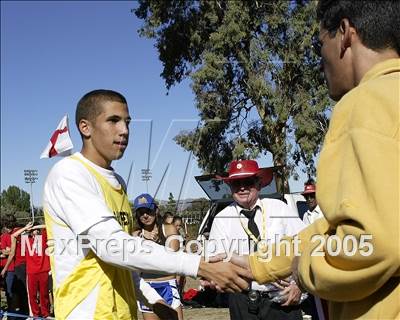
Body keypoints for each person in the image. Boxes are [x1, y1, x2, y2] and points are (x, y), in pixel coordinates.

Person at [235, 1, 399, 319]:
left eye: (318, 44)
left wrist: (306, 267)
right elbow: (339, 225)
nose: (321, 60)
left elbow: (375, 244)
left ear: (345, 33)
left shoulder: (365, 103)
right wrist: (260, 264)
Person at [42, 89, 251, 319]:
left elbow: (124, 259)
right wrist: (198, 264)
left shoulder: (117, 181)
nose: (124, 130)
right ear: (85, 127)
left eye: (127, 122)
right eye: (113, 120)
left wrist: (154, 300)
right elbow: (112, 246)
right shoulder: (69, 172)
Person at [207, 159, 306, 320]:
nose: (242, 187)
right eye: (236, 183)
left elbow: (305, 248)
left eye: (248, 182)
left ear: (259, 184)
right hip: (242, 300)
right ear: (230, 187)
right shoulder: (222, 218)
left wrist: (300, 285)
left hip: (283, 298)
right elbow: (217, 263)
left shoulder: (279, 209)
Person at [132, 193, 184, 320]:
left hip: (168, 285)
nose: (145, 215)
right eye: (141, 212)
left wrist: (153, 246)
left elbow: (173, 255)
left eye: (148, 211)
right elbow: (134, 260)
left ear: (156, 210)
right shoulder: (135, 234)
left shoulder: (168, 229)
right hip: (147, 287)